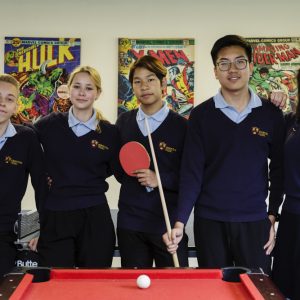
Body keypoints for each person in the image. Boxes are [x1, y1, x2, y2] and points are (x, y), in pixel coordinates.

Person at [163, 35, 285, 274]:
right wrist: (180, 222)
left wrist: (271, 216)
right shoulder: (201, 116)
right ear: (215, 71)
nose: (233, 69)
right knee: (213, 290)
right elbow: (192, 173)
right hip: (210, 222)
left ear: (250, 66)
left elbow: (279, 169)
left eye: (240, 62)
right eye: (224, 63)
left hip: (254, 221)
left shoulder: (271, 114)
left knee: (257, 290)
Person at [35, 66, 120, 268]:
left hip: (95, 219)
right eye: (77, 86)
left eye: (89, 88)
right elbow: (24, 148)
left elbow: (116, 170)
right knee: (56, 288)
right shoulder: (47, 125)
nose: (82, 93)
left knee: (94, 287)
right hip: (56, 217)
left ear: (98, 93)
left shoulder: (110, 133)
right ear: (68, 90)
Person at [116, 55, 189, 268]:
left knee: (175, 288)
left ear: (163, 83)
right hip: (131, 223)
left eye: (150, 80)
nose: (144, 86)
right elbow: (120, 172)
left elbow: (191, 177)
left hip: (167, 226)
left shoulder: (182, 126)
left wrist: (160, 179)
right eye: (137, 82)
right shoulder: (124, 123)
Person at [0, 74, 45, 277]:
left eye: (9, 99)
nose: (2, 103)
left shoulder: (26, 138)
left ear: (17, 106)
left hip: (4, 235)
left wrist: (42, 227)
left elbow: (41, 187)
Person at [272, 70, 300, 299]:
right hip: (291, 215)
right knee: (283, 286)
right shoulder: (291, 120)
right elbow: (278, 169)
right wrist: (274, 98)